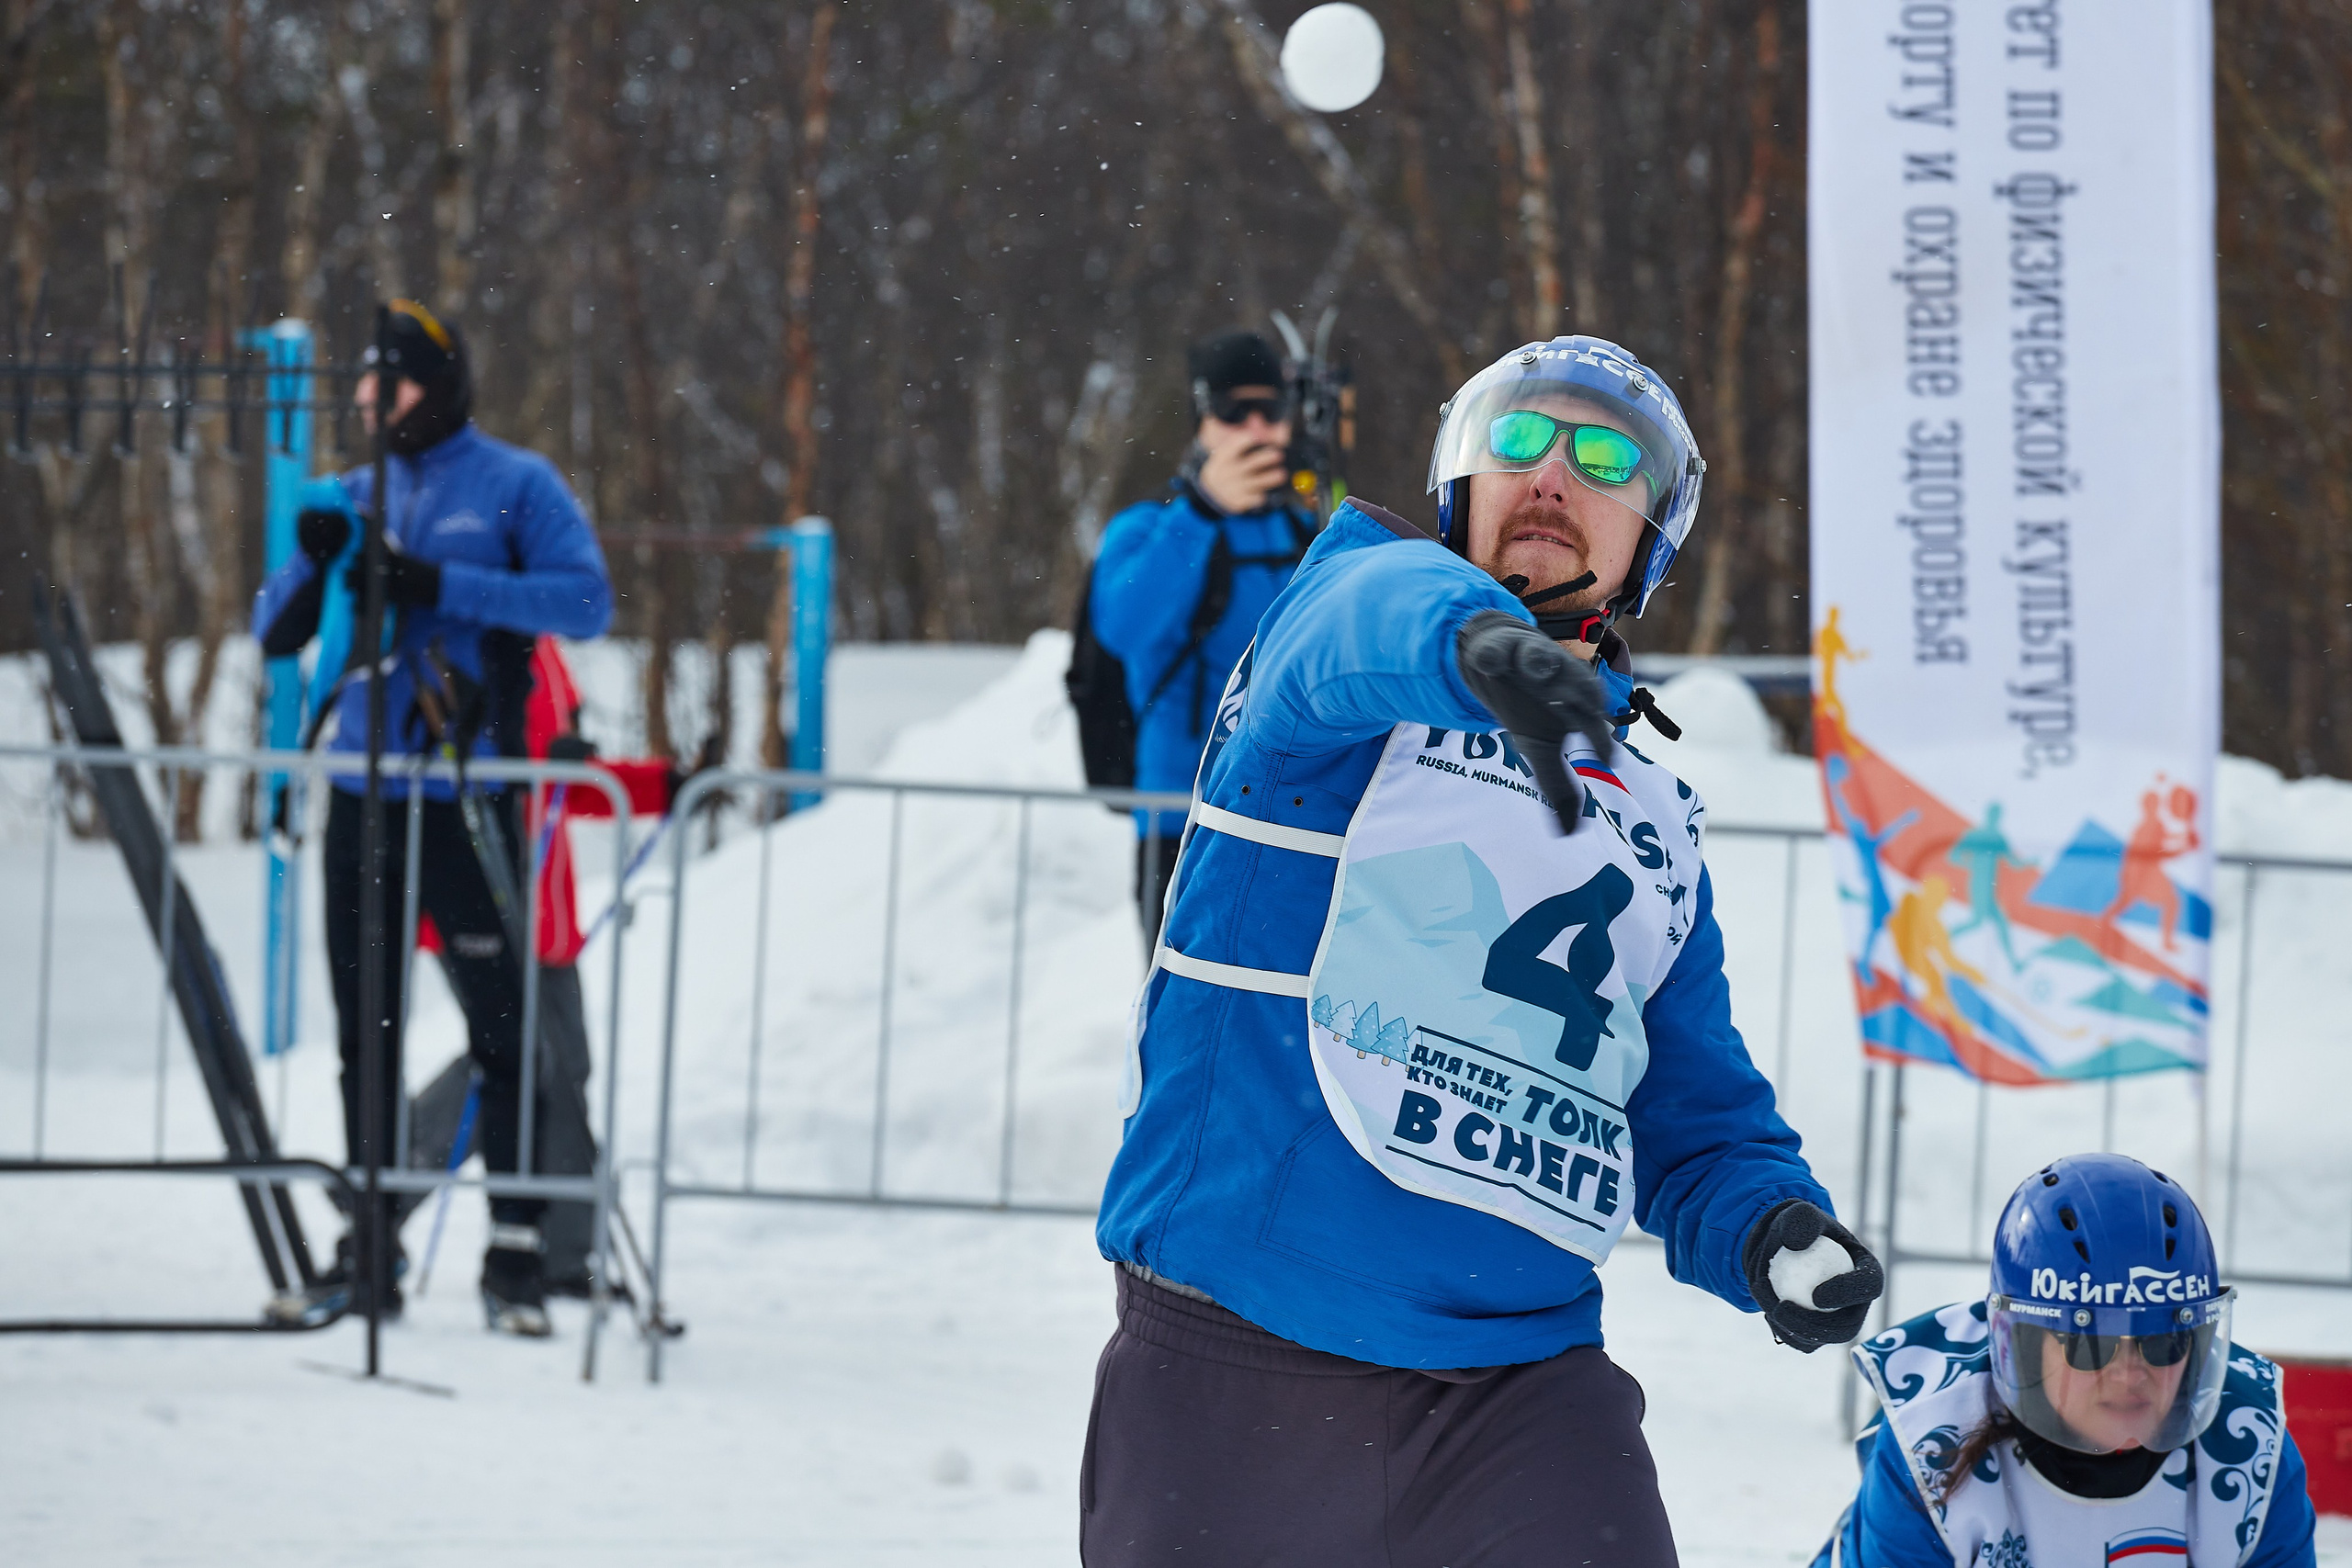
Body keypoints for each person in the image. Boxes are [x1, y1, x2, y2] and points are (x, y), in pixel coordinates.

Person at [1084, 335, 1882, 1564]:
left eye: (1604, 457)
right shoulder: (1338, 648)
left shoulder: (1653, 823)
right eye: (1518, 439)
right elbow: (1376, 615)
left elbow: (1689, 1108)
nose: (1552, 474)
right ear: (1462, 483)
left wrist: (1767, 1223)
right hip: (1240, 1354)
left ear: (1649, 540)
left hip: (1518, 1395)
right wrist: (1480, 646)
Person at [253, 299, 612, 1336]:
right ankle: (368, 1252)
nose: (373, 400)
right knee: (364, 1031)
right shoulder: (353, 491)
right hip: (363, 796)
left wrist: (440, 585)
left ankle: (515, 1256)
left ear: (439, 384)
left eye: (393, 380)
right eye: (365, 381)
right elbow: (271, 629)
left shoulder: (515, 483)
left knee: (505, 1029)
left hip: (468, 793)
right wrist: (315, 566)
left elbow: (585, 602)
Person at [1815, 1153, 2316, 1568]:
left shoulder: (2251, 1448)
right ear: (2023, 1348)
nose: (2129, 1372)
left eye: (2164, 1343)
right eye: (2089, 1345)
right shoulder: (1933, 1443)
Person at [1087, 329, 1313, 945]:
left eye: (1271, 409)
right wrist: (1202, 510)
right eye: (1234, 410)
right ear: (1201, 419)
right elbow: (1123, 627)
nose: (1255, 427)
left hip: (1293, 815)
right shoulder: (1148, 526)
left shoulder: (1305, 530)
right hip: (1180, 818)